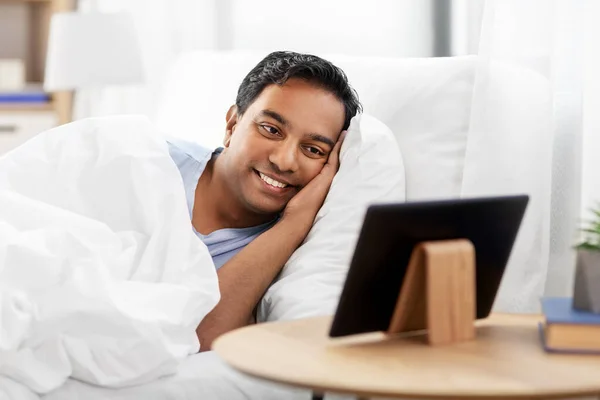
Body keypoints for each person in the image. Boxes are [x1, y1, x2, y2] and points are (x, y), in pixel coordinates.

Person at [167, 51, 362, 351]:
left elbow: (195, 339)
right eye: (271, 130)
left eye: (313, 150)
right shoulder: (156, 164)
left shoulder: (285, 255)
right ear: (232, 125)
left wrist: (294, 222)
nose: (284, 161)